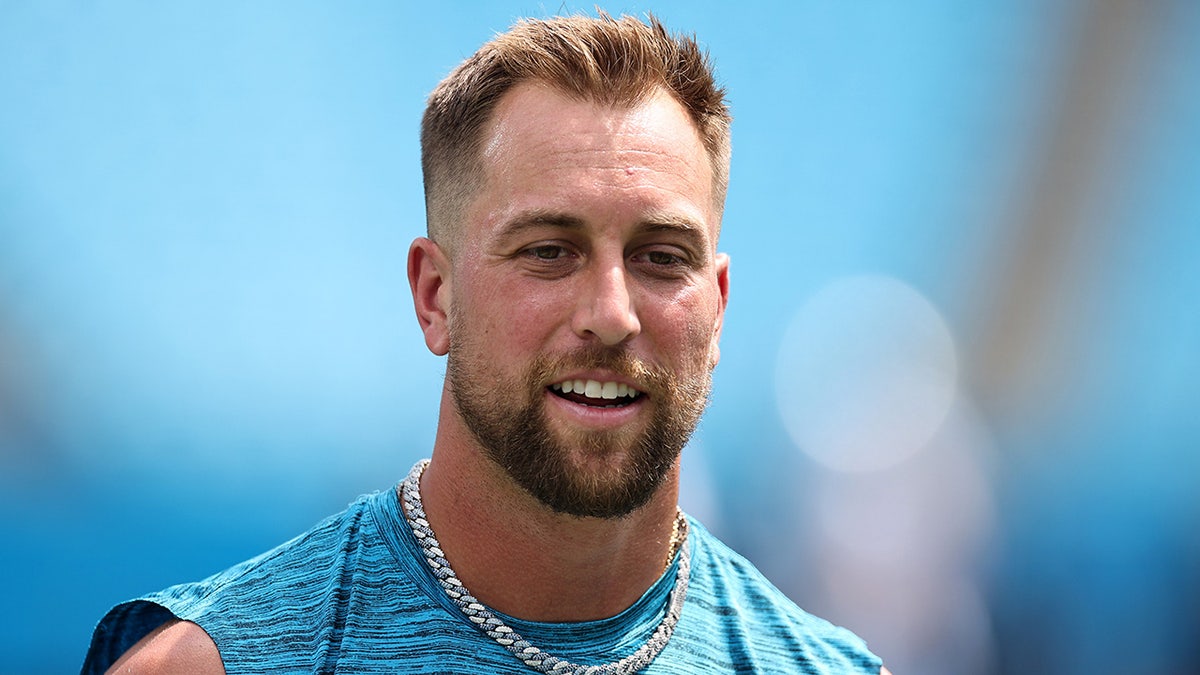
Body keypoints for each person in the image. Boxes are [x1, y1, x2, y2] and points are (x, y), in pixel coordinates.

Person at [84, 12, 888, 674]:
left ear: (715, 308)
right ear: (435, 297)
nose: (611, 313)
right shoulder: (217, 664)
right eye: (548, 250)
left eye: (660, 257)